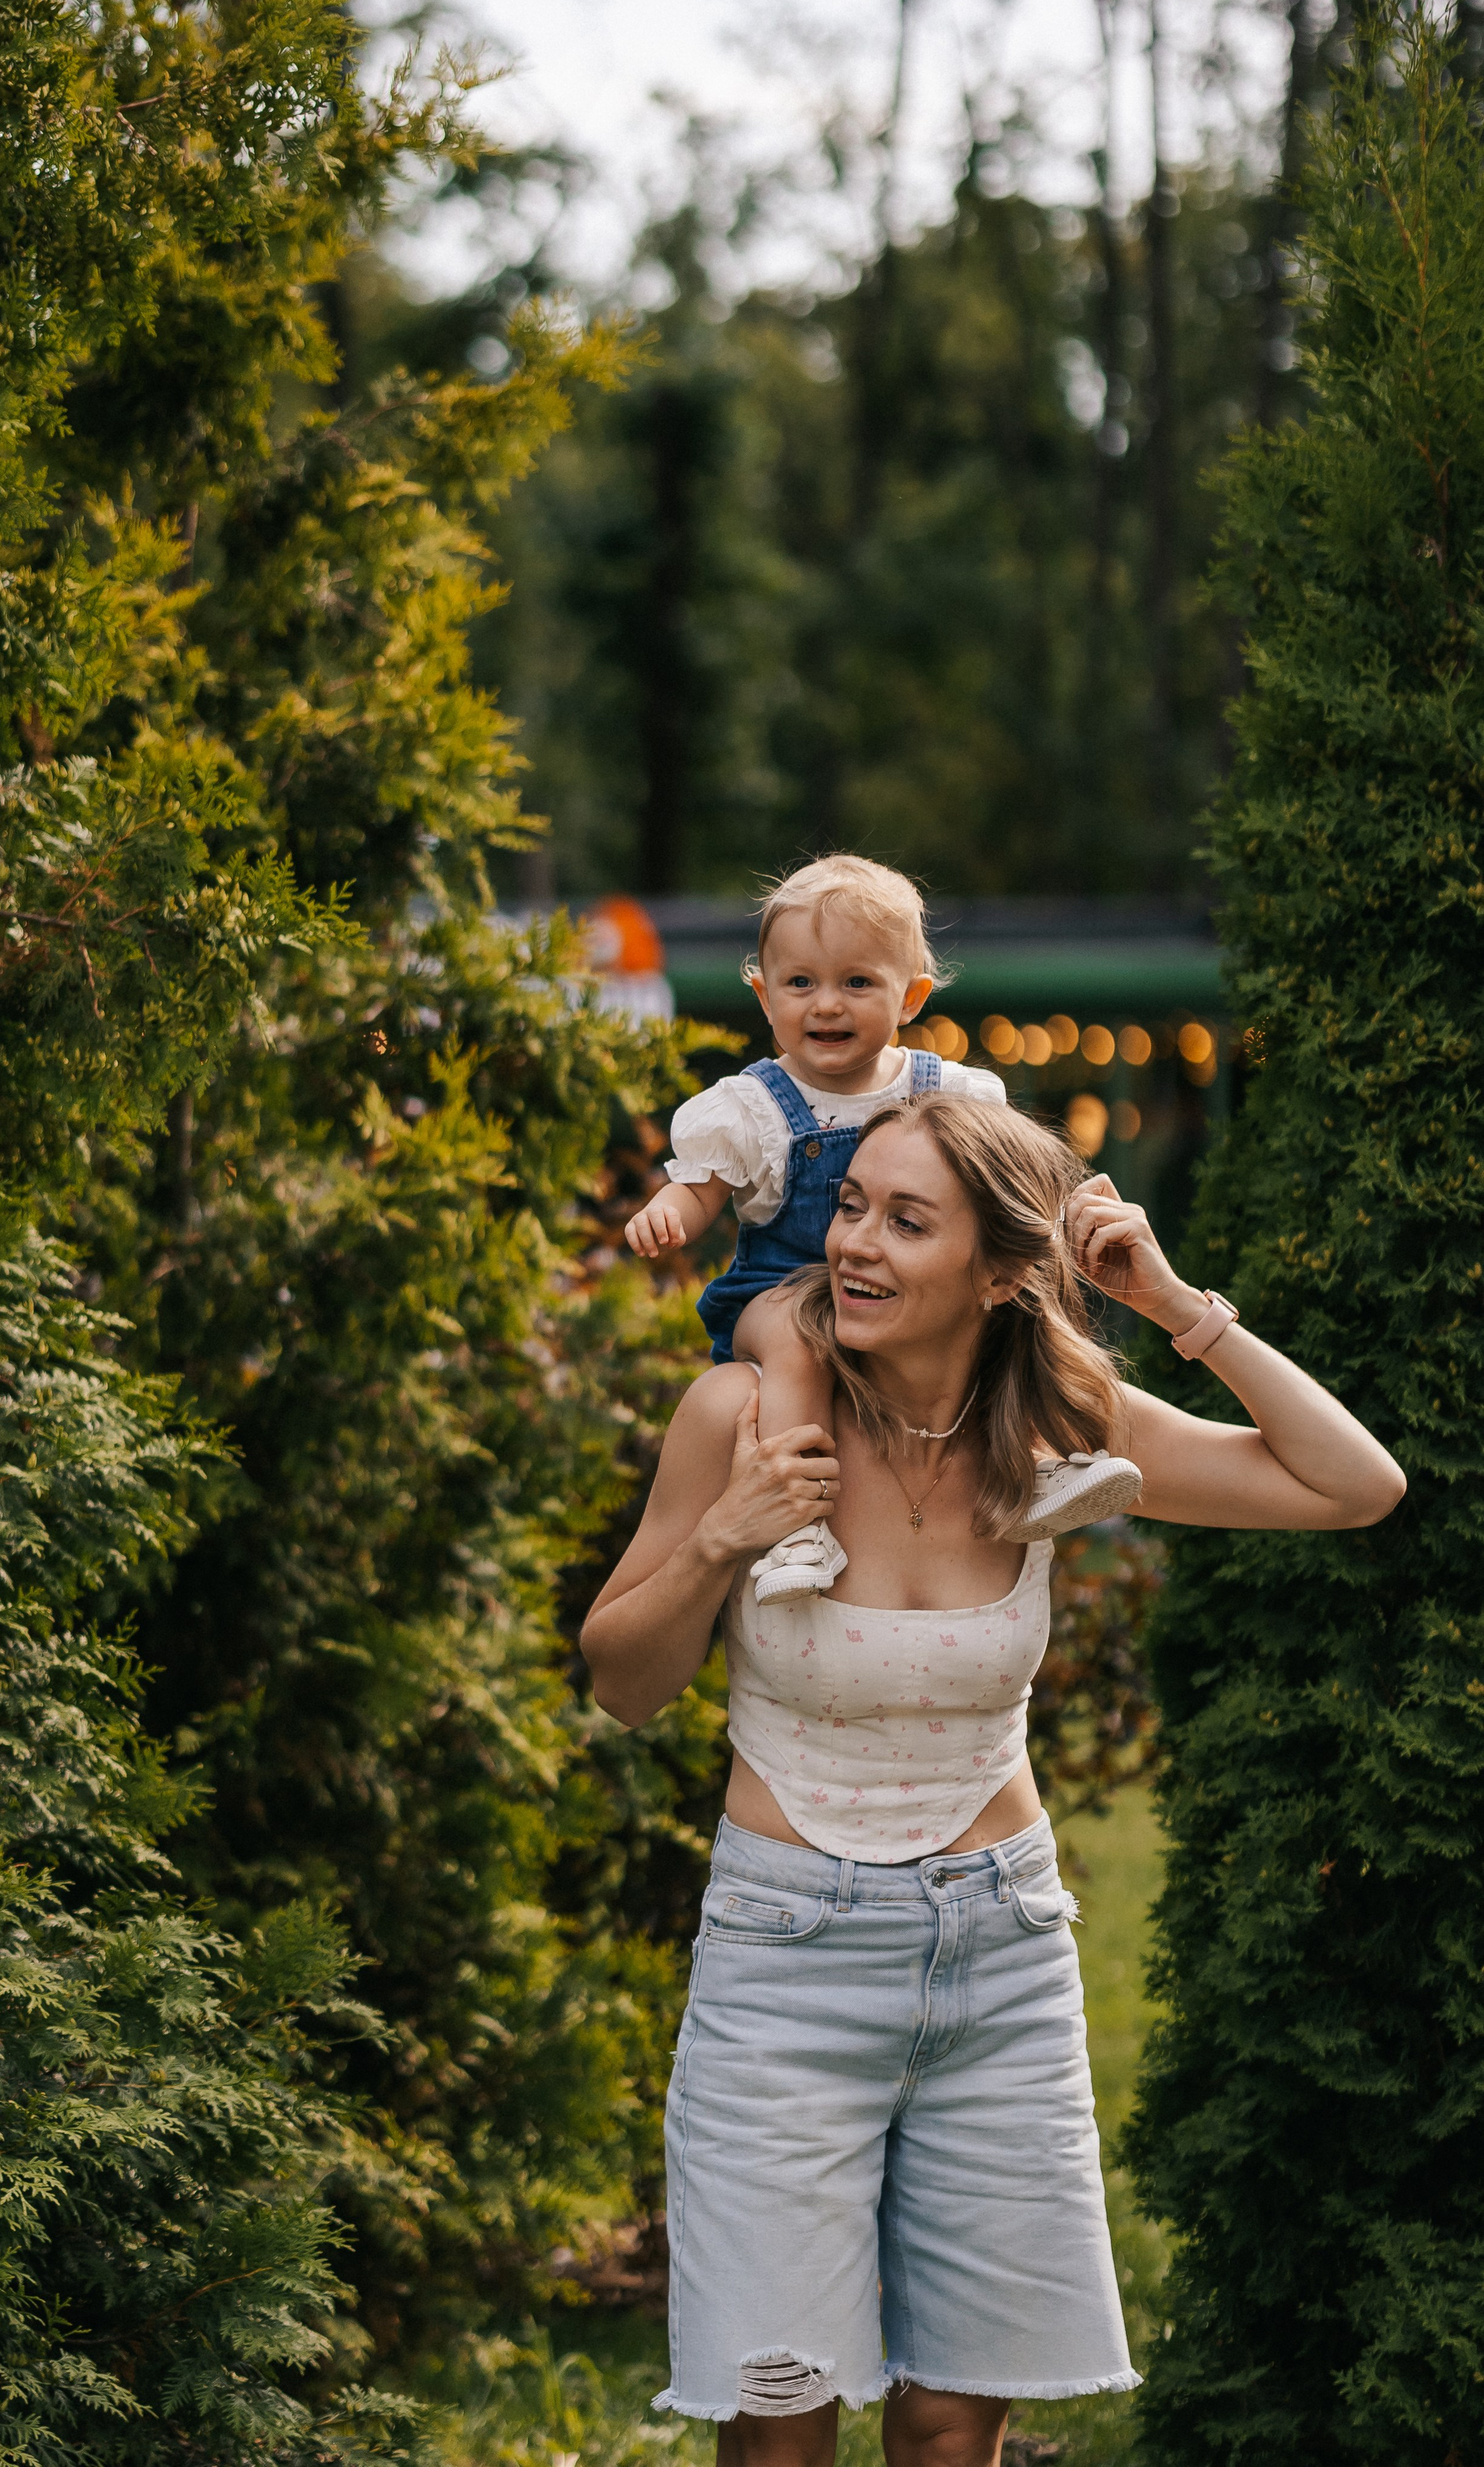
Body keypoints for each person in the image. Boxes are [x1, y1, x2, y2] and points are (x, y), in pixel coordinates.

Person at [583, 1092, 1404, 2467]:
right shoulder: (738, 1411)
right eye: (851, 1207)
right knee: (778, 2419)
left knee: (956, 2424)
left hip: (998, 1954)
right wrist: (721, 1541)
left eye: (908, 1222)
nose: (854, 1245)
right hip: (783, 1961)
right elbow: (620, 1680)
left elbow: (1352, 1484)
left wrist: (1170, 1305)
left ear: (999, 1272)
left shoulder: (1050, 1431)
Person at [625, 857, 1142, 1608]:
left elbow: (999, 1189)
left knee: (1022, 1294)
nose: (826, 1005)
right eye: (800, 983)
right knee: (799, 1342)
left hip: (912, 1307)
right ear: (764, 997)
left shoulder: (950, 1092)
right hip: (782, 1293)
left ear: (911, 996)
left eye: (857, 983)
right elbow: (702, 1184)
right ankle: (799, 1521)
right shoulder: (751, 1107)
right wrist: (672, 1209)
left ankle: (1047, 1455)